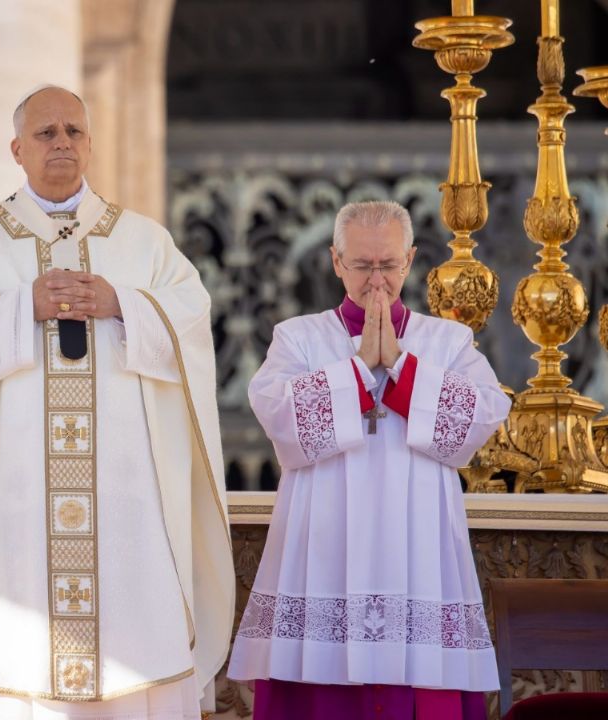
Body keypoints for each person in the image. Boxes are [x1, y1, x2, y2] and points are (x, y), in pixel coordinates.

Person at [0, 84, 235, 719]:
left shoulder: (144, 242)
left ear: (90, 144)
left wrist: (123, 304)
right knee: (19, 646)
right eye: (46, 133)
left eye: (74, 132)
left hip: (125, 499)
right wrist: (18, 307)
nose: (61, 143)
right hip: (15, 498)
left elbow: (194, 321)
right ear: (17, 150)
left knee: (131, 621)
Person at [226, 201, 509, 719]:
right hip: (326, 543)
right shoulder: (300, 337)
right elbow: (276, 414)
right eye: (362, 266)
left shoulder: (447, 341)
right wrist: (358, 371)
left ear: (410, 261)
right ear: (336, 261)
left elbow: (486, 414)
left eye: (387, 265)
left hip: (418, 544)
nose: (376, 280)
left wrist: (401, 367)